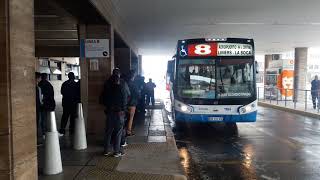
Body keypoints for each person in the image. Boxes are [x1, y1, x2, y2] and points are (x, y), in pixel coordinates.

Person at [101, 68, 129, 157]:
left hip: (109, 111)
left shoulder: (107, 83)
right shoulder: (122, 83)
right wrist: (124, 110)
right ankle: (116, 152)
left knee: (108, 131)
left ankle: (106, 150)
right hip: (119, 112)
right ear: (119, 74)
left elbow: (103, 97)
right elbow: (126, 96)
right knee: (118, 132)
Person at [126, 70, 139, 136]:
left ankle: (123, 131)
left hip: (125, 103)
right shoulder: (134, 84)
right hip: (132, 103)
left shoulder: (125, 83)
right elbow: (137, 94)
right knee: (130, 118)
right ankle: (128, 131)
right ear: (133, 76)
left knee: (125, 118)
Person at [35, 72, 43, 145]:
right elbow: (40, 100)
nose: (40, 79)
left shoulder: (37, 87)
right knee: (36, 123)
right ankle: (35, 140)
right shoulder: (37, 88)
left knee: (36, 123)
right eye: (40, 77)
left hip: (36, 107)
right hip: (36, 107)